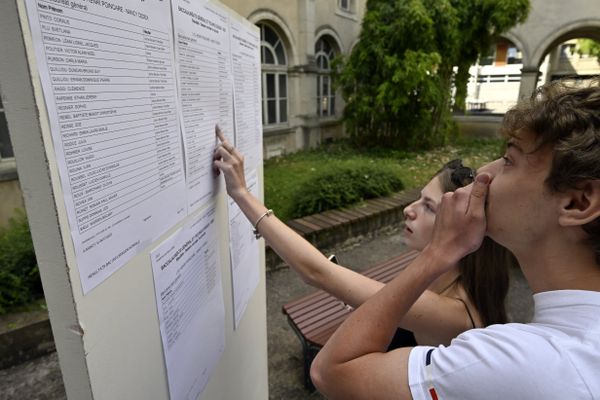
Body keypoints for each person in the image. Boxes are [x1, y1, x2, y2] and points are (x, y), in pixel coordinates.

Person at [307, 78, 600, 399]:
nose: (484, 173)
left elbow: (331, 372)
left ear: (578, 202)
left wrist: (436, 254)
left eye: (509, 159)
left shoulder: (523, 364)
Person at [213, 131, 513, 349]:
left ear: (466, 231)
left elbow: (316, 272)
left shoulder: (455, 313)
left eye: (429, 207)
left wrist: (241, 194)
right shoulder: (445, 277)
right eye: (418, 199)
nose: (409, 211)